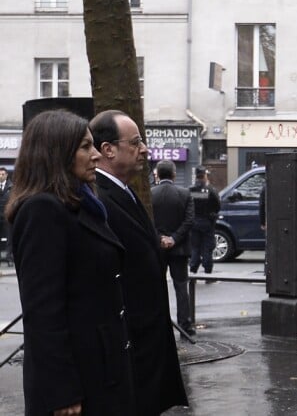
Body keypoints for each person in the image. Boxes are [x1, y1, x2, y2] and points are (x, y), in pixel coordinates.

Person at [6, 110, 136, 415]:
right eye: (85, 147)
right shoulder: (42, 210)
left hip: (101, 369)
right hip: (77, 383)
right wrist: (62, 391)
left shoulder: (83, 205)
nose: (95, 156)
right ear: (57, 153)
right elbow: (43, 311)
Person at [89, 110, 188, 416]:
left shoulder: (126, 190)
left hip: (146, 342)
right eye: (135, 142)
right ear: (108, 150)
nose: (144, 149)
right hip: (129, 345)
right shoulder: (98, 198)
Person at [151, 159, 196, 339]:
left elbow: (147, 221)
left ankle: (159, 325)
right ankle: (185, 326)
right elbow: (189, 220)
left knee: (157, 287)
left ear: (158, 175)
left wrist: (160, 238)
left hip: (158, 248)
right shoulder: (185, 194)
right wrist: (174, 238)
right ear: (174, 174)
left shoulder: (150, 194)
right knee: (181, 288)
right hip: (179, 249)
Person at [189, 166, 221, 275]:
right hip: (207, 222)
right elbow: (217, 205)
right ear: (205, 176)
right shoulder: (210, 190)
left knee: (195, 247)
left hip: (194, 222)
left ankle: (193, 271)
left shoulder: (190, 190)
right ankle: (208, 272)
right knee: (207, 248)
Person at [0, 167, 13, 263]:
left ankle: (9, 257)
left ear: (6, 175)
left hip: (7, 215)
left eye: (2, 174)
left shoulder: (11, 187)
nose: (1, 176)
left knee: (9, 237)